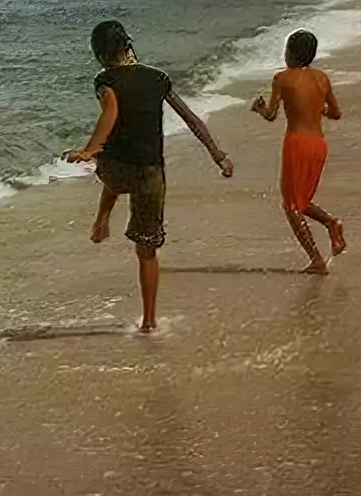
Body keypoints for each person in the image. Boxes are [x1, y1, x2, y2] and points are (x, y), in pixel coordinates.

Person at [65, 19, 234, 332]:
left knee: (110, 172)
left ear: (98, 53)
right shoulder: (159, 79)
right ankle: (150, 321)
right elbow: (192, 119)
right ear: (128, 45)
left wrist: (90, 149)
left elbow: (111, 113)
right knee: (146, 251)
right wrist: (217, 154)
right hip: (150, 172)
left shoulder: (104, 80)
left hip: (115, 167)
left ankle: (102, 217)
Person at [251, 29, 347, 274]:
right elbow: (335, 113)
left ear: (291, 54)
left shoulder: (282, 78)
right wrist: (318, 109)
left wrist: (259, 108)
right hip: (319, 144)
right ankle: (331, 223)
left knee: (291, 205)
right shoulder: (322, 78)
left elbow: (272, 115)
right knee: (301, 201)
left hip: (297, 143)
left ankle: (316, 259)